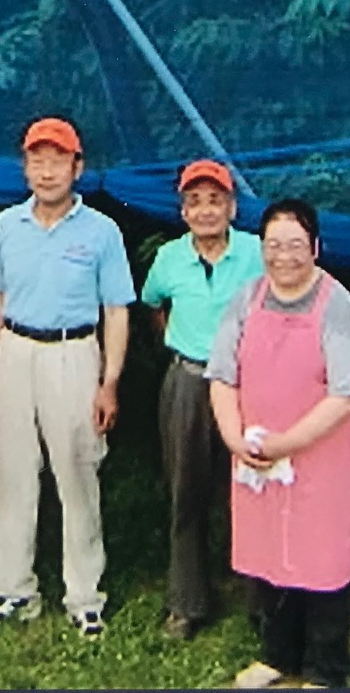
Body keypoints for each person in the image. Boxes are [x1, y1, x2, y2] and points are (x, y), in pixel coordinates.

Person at [0, 116, 135, 640]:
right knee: (11, 475)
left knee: (77, 472)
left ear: (77, 167)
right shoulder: (6, 226)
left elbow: (117, 310)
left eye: (57, 160)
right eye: (36, 160)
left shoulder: (101, 231)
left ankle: (85, 597)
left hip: (73, 352)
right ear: (24, 168)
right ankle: (14, 591)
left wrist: (109, 381)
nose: (46, 171)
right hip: (16, 351)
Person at [207, 198, 350, 690]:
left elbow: (347, 392)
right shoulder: (247, 298)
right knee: (270, 555)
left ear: (316, 248)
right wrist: (234, 437)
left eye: (295, 245)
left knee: (322, 560)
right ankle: (278, 654)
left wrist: (289, 443)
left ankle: (326, 668)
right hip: (258, 459)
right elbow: (221, 374)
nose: (284, 256)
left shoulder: (337, 306)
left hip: (320, 459)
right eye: (274, 245)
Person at [140, 158, 264, 639]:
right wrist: (175, 338)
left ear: (233, 207)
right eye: (195, 201)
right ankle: (187, 602)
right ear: (183, 210)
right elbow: (152, 304)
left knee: (252, 489)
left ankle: (261, 598)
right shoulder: (169, 257)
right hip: (188, 382)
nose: (206, 210)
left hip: (246, 385)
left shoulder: (257, 252)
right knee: (185, 492)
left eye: (216, 200)